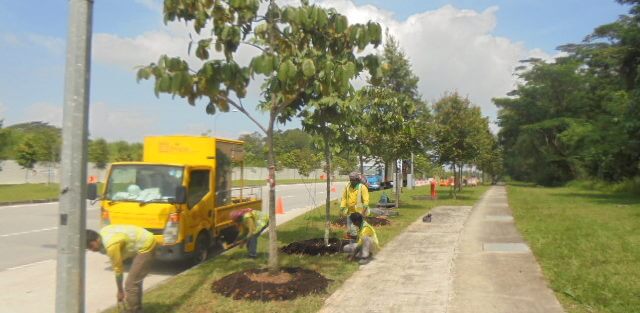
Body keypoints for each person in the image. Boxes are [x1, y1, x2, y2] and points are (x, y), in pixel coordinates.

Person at [86, 225, 156, 313]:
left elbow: (118, 269)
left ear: (96, 240)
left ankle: (136, 311)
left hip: (146, 245)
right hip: (142, 239)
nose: (92, 250)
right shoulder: (103, 233)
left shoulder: (111, 245)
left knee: (130, 285)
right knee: (134, 282)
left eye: (91, 246)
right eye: (89, 248)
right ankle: (136, 309)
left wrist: (120, 291)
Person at [340, 171, 370, 238]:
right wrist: (341, 208)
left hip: (359, 213)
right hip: (350, 212)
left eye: (353, 180)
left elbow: (366, 201)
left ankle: (361, 241)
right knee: (350, 229)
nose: (351, 181)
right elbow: (344, 198)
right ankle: (354, 240)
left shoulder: (362, 187)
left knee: (360, 229)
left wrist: (362, 213)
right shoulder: (347, 186)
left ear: (357, 180)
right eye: (350, 180)